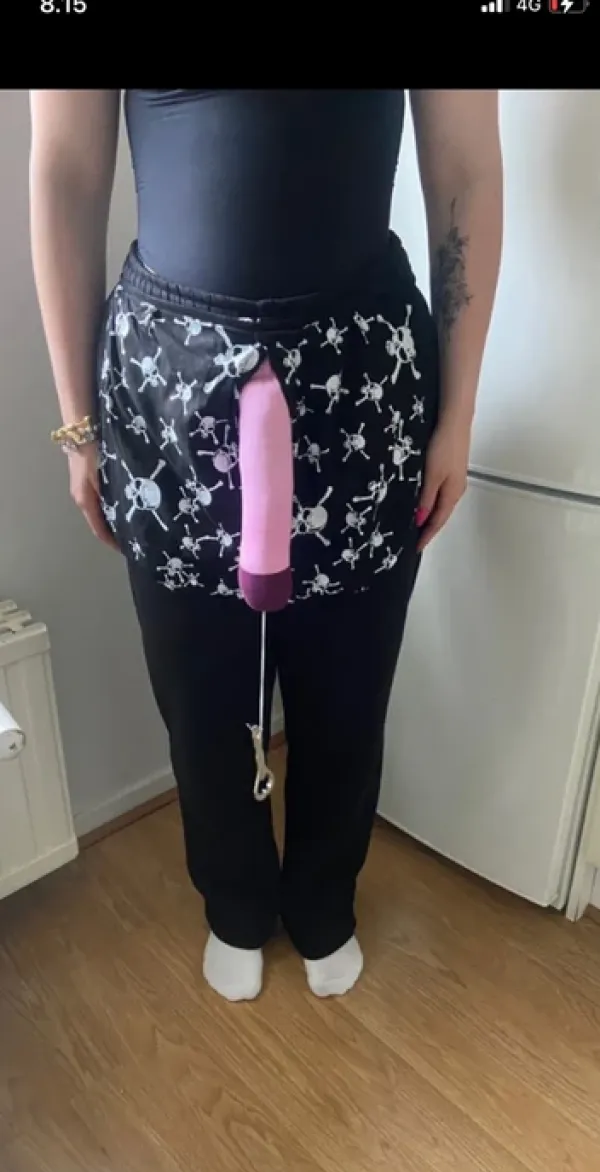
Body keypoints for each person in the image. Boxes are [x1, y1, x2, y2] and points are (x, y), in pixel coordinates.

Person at [29, 90, 503, 1003]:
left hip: (364, 374)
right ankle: (235, 904)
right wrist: (77, 424)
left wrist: (460, 412)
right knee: (197, 684)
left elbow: (466, 169)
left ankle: (325, 902)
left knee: (349, 684)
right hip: (166, 381)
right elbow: (65, 170)